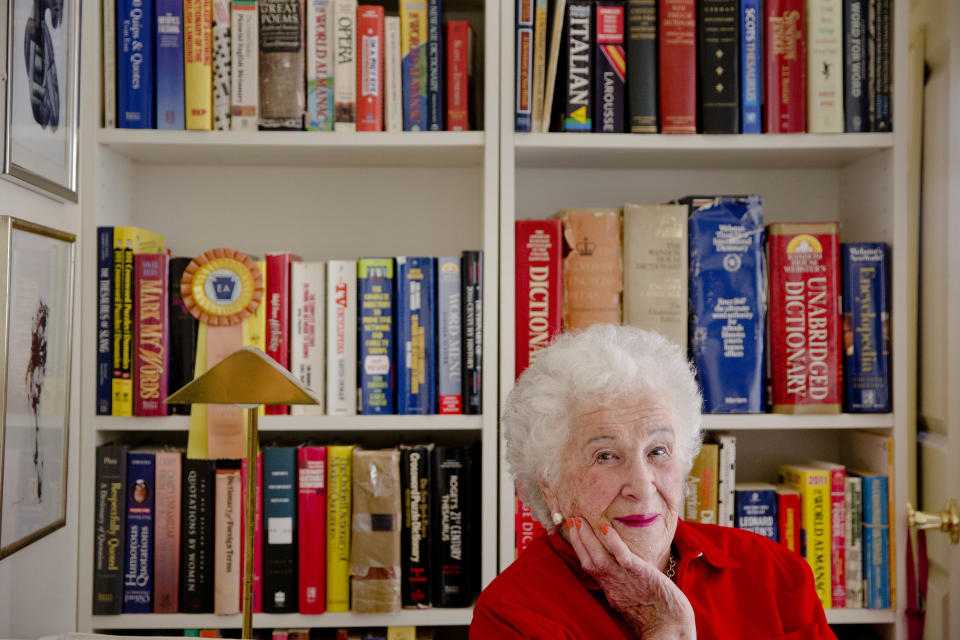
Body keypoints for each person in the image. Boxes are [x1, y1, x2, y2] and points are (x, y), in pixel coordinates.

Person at [471, 324, 836, 640]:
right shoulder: (513, 616)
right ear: (549, 484)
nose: (642, 487)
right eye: (606, 456)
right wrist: (664, 627)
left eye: (657, 451)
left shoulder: (774, 574)